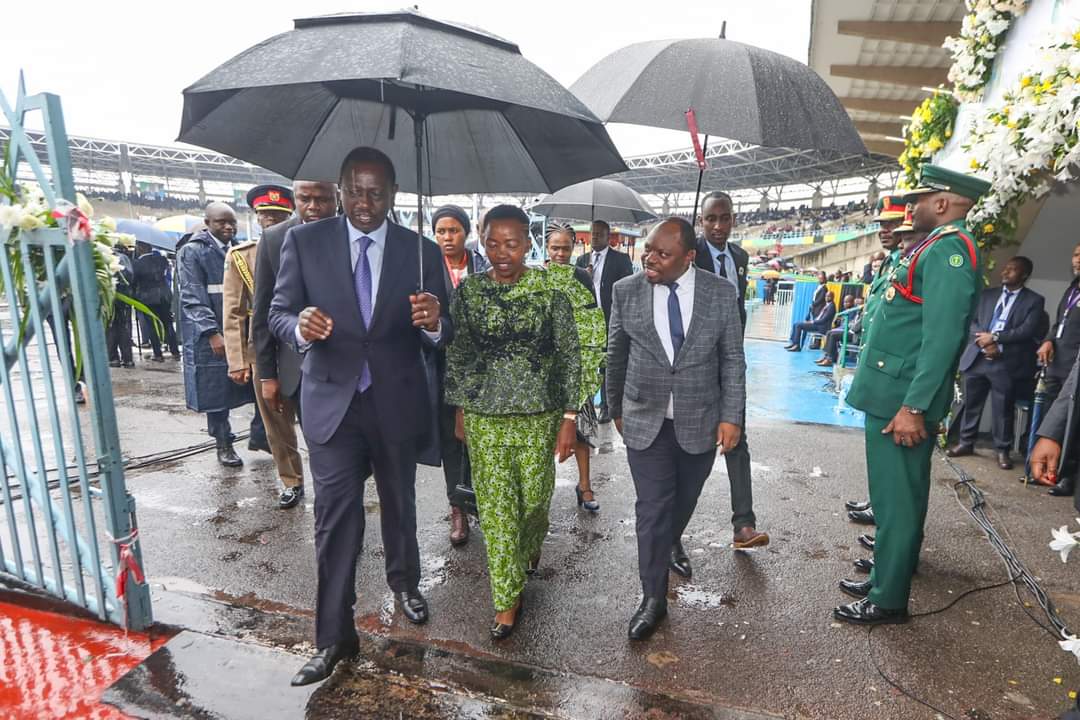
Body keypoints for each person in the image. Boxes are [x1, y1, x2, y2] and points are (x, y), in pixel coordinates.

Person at [269, 147, 449, 686]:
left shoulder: (419, 251)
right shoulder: (305, 241)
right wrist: (299, 325)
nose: (365, 203)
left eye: (376, 192)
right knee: (334, 519)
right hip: (332, 404)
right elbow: (277, 313)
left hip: (395, 397)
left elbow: (444, 328)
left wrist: (435, 321)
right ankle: (333, 637)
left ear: (391, 194)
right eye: (355, 190)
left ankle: (404, 583)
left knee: (400, 503)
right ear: (341, 189)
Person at [834, 164, 988, 626]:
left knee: (897, 500)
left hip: (901, 401)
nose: (910, 207)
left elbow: (941, 339)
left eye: (918, 199)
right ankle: (889, 572)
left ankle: (888, 599)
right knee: (894, 495)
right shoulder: (933, 246)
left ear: (942, 203)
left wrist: (914, 406)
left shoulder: (948, 252)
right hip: (893, 393)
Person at [607, 217, 746, 641]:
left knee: (683, 500)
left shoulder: (720, 293)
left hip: (699, 418)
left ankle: (672, 541)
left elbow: (732, 360)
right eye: (648, 249)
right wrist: (615, 407)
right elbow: (616, 351)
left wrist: (731, 416)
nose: (650, 258)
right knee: (651, 508)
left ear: (689, 257)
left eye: (662, 254)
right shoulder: (626, 290)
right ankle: (653, 598)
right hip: (643, 418)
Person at [445, 205, 580, 640]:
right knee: (498, 510)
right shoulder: (468, 292)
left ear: (528, 243)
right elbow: (460, 354)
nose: (502, 252)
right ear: (482, 241)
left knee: (535, 502)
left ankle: (529, 546)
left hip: (538, 415)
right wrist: (461, 408)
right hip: (485, 415)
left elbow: (569, 355)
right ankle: (507, 597)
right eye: (493, 243)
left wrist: (568, 417)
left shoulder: (550, 289)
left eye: (512, 243)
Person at [251, 180, 339, 508]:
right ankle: (335, 514)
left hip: (349, 364)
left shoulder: (353, 233)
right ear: (295, 199)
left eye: (323, 199)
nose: (314, 206)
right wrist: (267, 375)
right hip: (300, 370)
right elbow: (263, 312)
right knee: (321, 448)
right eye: (305, 199)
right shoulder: (275, 239)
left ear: (337, 198)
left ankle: (343, 502)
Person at [694, 191, 768, 560]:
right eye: (711, 219)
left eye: (724, 218)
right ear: (701, 221)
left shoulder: (740, 257)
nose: (718, 226)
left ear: (733, 219)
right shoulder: (689, 254)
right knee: (691, 453)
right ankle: (671, 533)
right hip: (694, 368)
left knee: (737, 441)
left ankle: (744, 525)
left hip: (731, 364)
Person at [222, 207, 305, 509]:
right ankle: (291, 479)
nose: (269, 219)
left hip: (308, 351)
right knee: (277, 423)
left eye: (277, 214)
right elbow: (236, 312)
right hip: (266, 350)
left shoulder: (315, 241)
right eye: (264, 214)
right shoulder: (246, 255)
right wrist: (238, 361)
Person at [177, 202, 261, 468]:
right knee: (216, 393)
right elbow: (191, 296)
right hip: (210, 334)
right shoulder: (192, 251)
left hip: (240, 330)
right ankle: (223, 443)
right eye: (221, 222)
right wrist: (212, 333)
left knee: (258, 383)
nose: (228, 227)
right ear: (207, 223)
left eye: (232, 222)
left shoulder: (238, 250)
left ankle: (261, 435)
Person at [947, 257, 1045, 470]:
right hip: (978, 357)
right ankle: (966, 442)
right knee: (971, 404)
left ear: (1024, 275)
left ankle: (1002, 450)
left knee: (1003, 408)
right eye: (1006, 267)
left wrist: (996, 338)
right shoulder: (987, 295)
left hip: (1005, 361)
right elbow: (972, 322)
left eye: (1013, 269)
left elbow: (1027, 331)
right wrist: (984, 342)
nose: (1005, 272)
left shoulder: (1034, 301)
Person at [433, 203, 488, 545]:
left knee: (479, 441)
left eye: (454, 230)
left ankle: (481, 501)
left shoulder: (483, 267)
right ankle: (458, 508)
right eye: (441, 231)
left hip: (480, 373)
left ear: (466, 233)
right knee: (451, 442)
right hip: (439, 371)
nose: (447, 237)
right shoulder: (423, 268)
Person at [546, 221, 607, 513]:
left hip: (579, 364)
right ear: (546, 248)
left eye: (565, 248)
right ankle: (541, 490)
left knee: (581, 430)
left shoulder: (583, 276)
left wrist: (592, 359)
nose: (560, 253)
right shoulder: (536, 277)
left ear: (574, 248)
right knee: (544, 434)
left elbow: (595, 320)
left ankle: (584, 485)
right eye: (555, 247)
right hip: (545, 369)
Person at [1032, 243, 1080, 496]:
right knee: (1053, 414)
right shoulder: (1072, 289)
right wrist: (1048, 340)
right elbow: (1059, 322)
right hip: (1057, 363)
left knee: (1074, 422)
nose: (1077, 260)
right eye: (1075, 254)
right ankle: (1043, 465)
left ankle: (1067, 475)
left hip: (1076, 367)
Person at [576, 219, 634, 423]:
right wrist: (585, 276)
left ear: (608, 237)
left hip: (611, 320)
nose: (594, 237)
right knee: (591, 364)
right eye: (593, 233)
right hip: (589, 321)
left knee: (609, 365)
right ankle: (588, 405)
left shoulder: (621, 259)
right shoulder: (582, 261)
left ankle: (608, 406)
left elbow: (628, 288)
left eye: (599, 234)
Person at [133, 242, 180, 361]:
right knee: (168, 323)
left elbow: (134, 281)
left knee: (151, 325)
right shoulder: (161, 260)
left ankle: (158, 354)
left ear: (141, 248)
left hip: (148, 297)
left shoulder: (137, 264)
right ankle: (175, 351)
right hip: (164, 295)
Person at [106, 238, 136, 369]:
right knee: (123, 327)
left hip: (110, 297)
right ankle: (127, 359)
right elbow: (130, 276)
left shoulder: (107, 257)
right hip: (123, 296)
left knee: (111, 327)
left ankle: (113, 357)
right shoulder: (123, 258)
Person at [816, 295, 862, 368]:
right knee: (829, 333)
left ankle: (829, 359)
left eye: (860, 304)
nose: (858, 306)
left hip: (854, 336)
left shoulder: (862, 315)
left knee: (833, 335)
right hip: (850, 332)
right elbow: (851, 324)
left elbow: (855, 327)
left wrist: (851, 325)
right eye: (857, 304)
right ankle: (827, 356)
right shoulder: (857, 314)